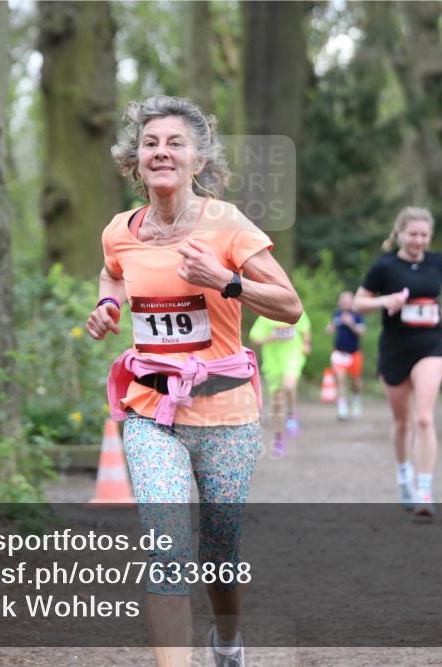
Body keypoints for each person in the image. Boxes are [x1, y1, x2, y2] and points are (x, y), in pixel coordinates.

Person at [87, 96, 302, 667]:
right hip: (151, 414)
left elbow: (290, 306)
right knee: (167, 550)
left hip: (227, 416)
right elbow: (112, 275)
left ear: (198, 160)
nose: (161, 152)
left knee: (220, 552)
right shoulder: (120, 231)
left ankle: (227, 640)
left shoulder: (226, 223)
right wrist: (107, 307)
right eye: (150, 143)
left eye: (175, 143)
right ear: (135, 160)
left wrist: (227, 280)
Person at [352, 207, 442, 518]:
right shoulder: (384, 267)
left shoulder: (438, 263)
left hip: (431, 346)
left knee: (424, 418)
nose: (419, 240)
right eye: (413, 234)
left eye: (424, 235)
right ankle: (404, 477)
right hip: (395, 348)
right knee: (402, 422)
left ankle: (425, 490)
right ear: (399, 233)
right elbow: (359, 302)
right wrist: (385, 301)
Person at [249, 312, 312, 458]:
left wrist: (307, 343)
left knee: (289, 385)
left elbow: (305, 327)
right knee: (276, 403)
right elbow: (255, 339)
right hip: (273, 363)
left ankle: (291, 415)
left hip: (293, 356)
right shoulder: (265, 317)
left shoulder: (293, 310)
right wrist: (267, 339)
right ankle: (278, 439)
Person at [325, 292, 366, 420]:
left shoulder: (357, 314)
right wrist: (330, 327)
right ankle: (342, 408)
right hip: (339, 353)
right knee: (340, 379)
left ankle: (356, 400)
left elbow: (362, 332)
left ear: (352, 301)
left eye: (347, 300)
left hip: (354, 353)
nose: (344, 302)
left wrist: (351, 324)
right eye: (342, 300)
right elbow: (329, 330)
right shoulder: (336, 313)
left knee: (355, 381)